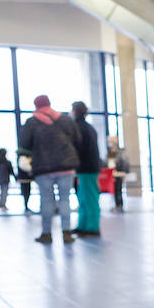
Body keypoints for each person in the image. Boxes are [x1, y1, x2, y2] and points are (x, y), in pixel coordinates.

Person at [18, 94, 81, 244]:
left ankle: (47, 233)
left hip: (43, 167)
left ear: (36, 105)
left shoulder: (32, 122)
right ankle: (66, 233)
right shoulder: (64, 119)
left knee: (46, 200)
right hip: (66, 166)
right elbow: (77, 139)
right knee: (65, 200)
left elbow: (24, 144)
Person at [70, 101, 104, 237]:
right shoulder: (87, 127)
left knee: (89, 198)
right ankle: (83, 225)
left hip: (87, 168)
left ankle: (92, 227)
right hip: (86, 168)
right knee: (83, 198)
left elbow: (79, 148)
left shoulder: (79, 128)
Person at [106, 137, 129, 211]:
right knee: (115, 191)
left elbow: (124, 163)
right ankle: (117, 205)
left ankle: (120, 206)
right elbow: (107, 162)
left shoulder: (121, 152)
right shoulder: (109, 152)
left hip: (119, 174)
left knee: (118, 190)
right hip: (112, 174)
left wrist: (124, 173)